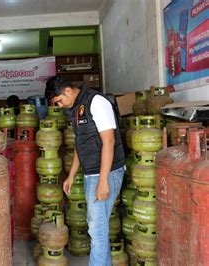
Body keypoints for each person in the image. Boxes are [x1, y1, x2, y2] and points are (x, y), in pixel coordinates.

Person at [50, 78, 125, 266]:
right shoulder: (77, 109)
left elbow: (108, 141)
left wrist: (103, 180)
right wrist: (71, 174)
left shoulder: (97, 102)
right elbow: (80, 145)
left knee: (97, 231)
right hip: (92, 173)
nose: (59, 105)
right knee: (98, 228)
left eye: (59, 100)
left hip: (105, 172)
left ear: (67, 91)